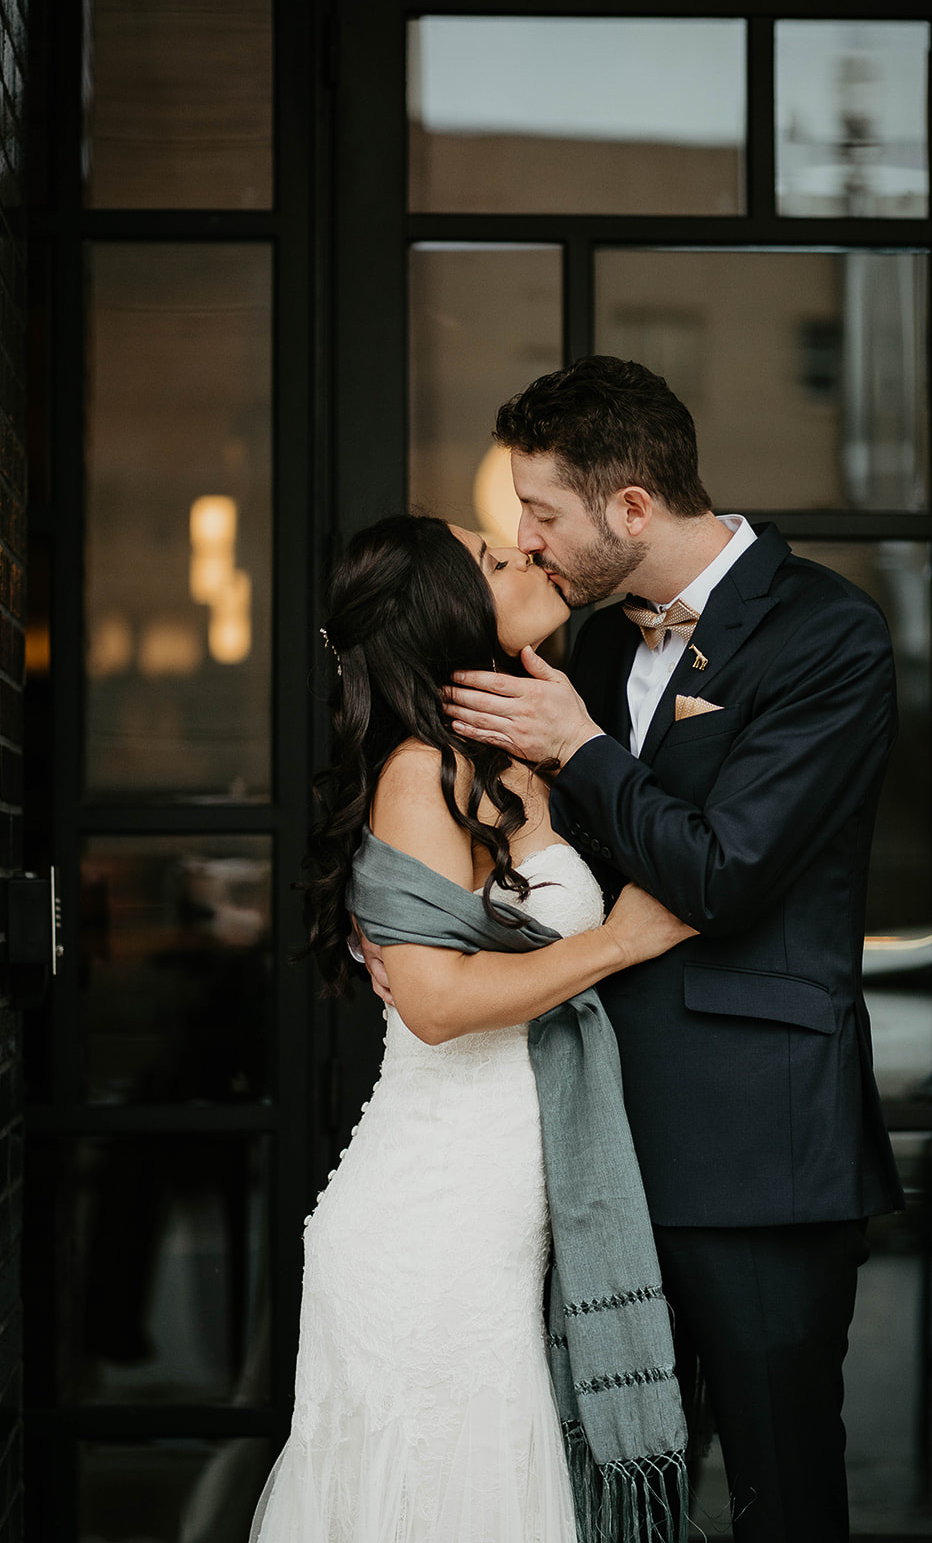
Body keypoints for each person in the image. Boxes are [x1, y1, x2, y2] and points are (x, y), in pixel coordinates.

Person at [441, 356, 906, 1542]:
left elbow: (723, 872)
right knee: (607, 1493)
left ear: (631, 505)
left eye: (541, 513)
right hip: (597, 1142)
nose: (527, 540)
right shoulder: (590, 648)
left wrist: (582, 748)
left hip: (757, 1147)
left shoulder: (826, 631)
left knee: (774, 1485)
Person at [248, 513, 695, 1543]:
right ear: (447, 611)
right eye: (495, 560)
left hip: (493, 1230)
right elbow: (434, 1002)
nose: (527, 553)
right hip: (427, 1229)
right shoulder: (418, 775)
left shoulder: (508, 757)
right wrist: (616, 943)